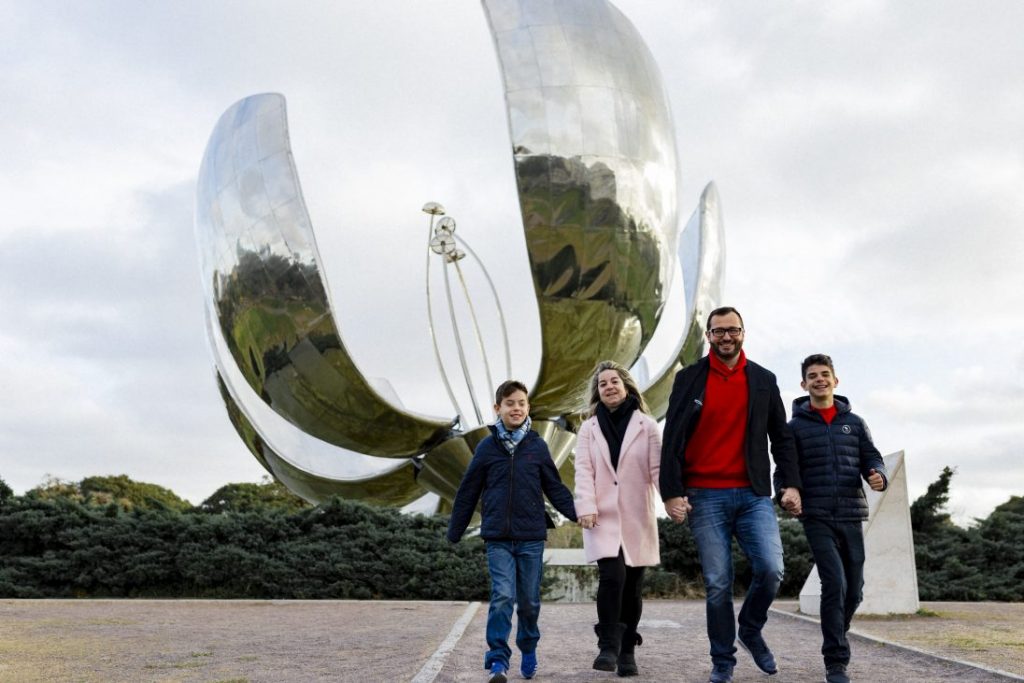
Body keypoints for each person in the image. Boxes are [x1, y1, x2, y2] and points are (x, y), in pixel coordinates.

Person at [660, 306, 802, 683]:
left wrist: (790, 484)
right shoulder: (689, 379)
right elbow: (672, 438)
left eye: (733, 330)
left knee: (772, 569)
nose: (726, 337)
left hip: (753, 494)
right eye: (718, 331)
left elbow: (781, 438)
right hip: (705, 496)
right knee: (718, 583)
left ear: (743, 332)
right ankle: (723, 660)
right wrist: (671, 492)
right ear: (708, 336)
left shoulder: (763, 379)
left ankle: (751, 629)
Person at [447, 380, 578, 683]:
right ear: (498, 409)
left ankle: (528, 649)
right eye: (509, 403)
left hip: (531, 536)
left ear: (527, 407)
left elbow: (555, 489)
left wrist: (578, 514)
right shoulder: (487, 447)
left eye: (521, 403)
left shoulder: (537, 446)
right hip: (498, 538)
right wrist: (455, 530)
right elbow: (468, 490)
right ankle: (497, 661)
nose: (516, 408)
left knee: (529, 601)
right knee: (503, 597)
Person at [783, 354, 887, 683]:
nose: (819, 380)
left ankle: (837, 632)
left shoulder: (854, 423)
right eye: (812, 376)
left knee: (854, 591)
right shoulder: (794, 428)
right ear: (804, 384)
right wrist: (787, 492)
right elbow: (785, 469)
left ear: (835, 380)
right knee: (835, 584)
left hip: (851, 513)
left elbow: (871, 456)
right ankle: (836, 661)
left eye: (825, 374)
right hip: (816, 515)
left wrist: (877, 473)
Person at [574, 360, 662, 677]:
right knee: (613, 577)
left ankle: (627, 652)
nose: (609, 387)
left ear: (626, 387)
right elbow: (583, 469)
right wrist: (585, 505)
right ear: (598, 392)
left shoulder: (647, 425)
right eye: (603, 384)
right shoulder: (588, 428)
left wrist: (675, 500)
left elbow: (657, 470)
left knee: (633, 586)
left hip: (637, 514)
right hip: (602, 516)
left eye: (614, 382)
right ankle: (608, 645)